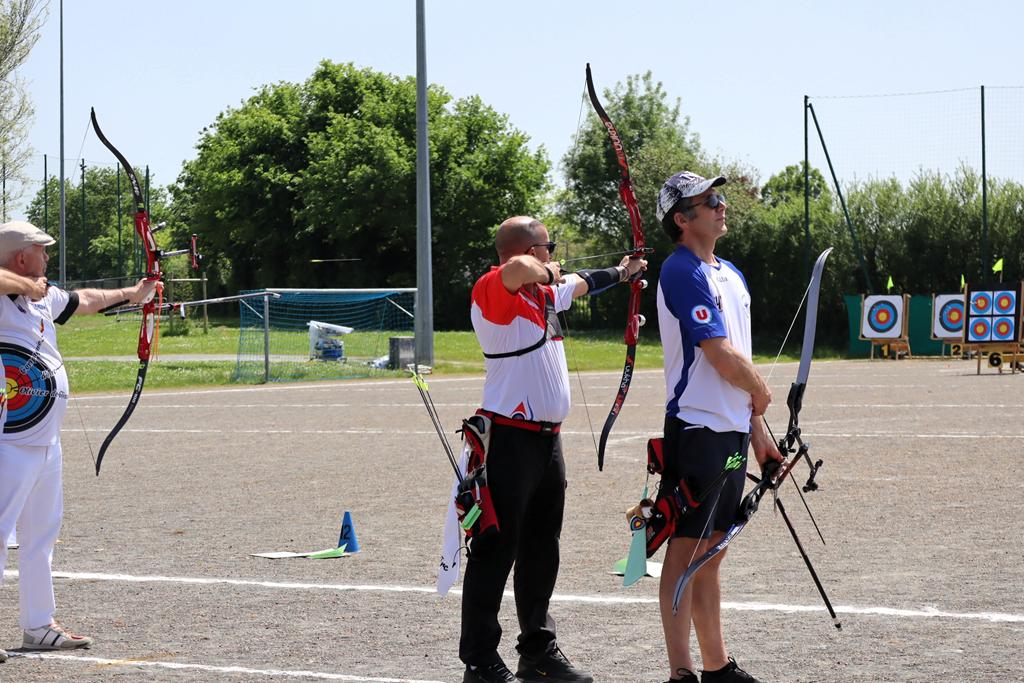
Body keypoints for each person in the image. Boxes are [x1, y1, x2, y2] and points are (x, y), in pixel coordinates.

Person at [459, 215, 646, 683]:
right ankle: (480, 661)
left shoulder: (542, 295)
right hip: (507, 439)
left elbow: (582, 282)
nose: (553, 255)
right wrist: (545, 270)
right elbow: (518, 268)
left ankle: (537, 652)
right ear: (531, 250)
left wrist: (624, 272)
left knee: (542, 549)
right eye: (549, 247)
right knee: (495, 549)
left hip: (547, 442)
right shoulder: (493, 290)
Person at [0, 220, 156, 660]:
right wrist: (27, 287)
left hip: (44, 438)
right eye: (42, 250)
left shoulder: (42, 296)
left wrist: (133, 293)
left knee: (41, 535)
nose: (48, 257)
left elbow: (84, 300)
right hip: (8, 438)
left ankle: (38, 625)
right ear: (21, 257)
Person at [653, 173, 783, 683]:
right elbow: (719, 354)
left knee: (712, 552)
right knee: (686, 548)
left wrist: (759, 433)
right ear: (682, 219)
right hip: (697, 429)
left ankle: (717, 667)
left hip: (730, 431)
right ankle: (681, 673)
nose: (721, 204)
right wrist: (761, 391)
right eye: (709, 200)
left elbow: (738, 360)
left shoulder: (730, 274)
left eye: (720, 197)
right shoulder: (681, 270)